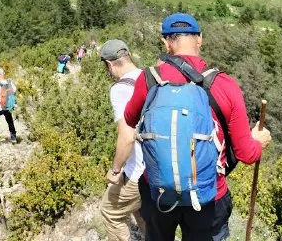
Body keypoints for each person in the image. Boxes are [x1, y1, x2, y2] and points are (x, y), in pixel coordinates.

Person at [124, 13, 272, 241]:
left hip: (157, 192)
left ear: (166, 43)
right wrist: (258, 141)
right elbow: (247, 154)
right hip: (208, 197)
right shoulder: (224, 84)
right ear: (200, 38)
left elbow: (129, 118)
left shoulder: (149, 79)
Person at [99, 39, 147, 241]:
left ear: (109, 64)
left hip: (137, 172)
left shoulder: (120, 88)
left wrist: (115, 170)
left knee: (109, 212)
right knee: (141, 211)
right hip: (155, 169)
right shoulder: (148, 76)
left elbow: (127, 136)